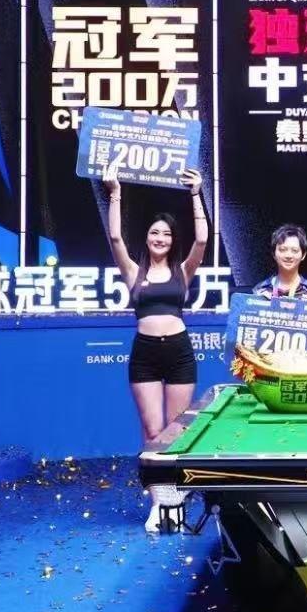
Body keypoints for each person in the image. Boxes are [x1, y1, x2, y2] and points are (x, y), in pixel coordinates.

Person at [101, 160, 207, 533]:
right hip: (145, 354)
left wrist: (196, 194)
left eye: (165, 234)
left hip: (178, 352)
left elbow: (202, 241)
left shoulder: (183, 271)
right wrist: (115, 193)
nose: (160, 238)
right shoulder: (134, 272)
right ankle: (158, 504)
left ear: (172, 240)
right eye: (154, 233)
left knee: (175, 432)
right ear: (147, 238)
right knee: (151, 431)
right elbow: (116, 238)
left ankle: (175, 502)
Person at [251, 224, 307, 301]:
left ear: (303, 255)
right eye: (283, 250)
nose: (288, 255)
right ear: (274, 254)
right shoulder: (260, 291)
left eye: (294, 250)